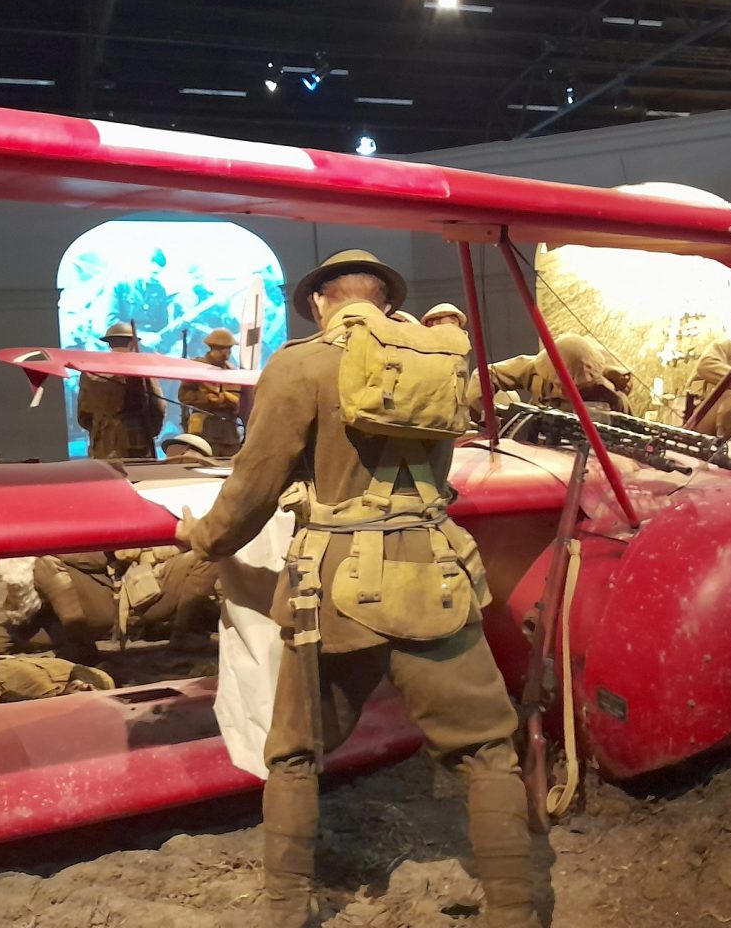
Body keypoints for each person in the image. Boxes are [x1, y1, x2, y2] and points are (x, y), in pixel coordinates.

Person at [180, 249, 536, 928]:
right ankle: (515, 912)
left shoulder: (301, 364)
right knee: (489, 752)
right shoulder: (437, 357)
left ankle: (286, 911)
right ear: (384, 300)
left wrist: (204, 541)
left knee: (294, 754)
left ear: (320, 302)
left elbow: (253, 485)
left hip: (334, 590)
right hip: (434, 575)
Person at [0, 545, 219, 661]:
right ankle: (79, 642)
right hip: (76, 612)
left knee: (209, 554)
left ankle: (185, 635)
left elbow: (101, 557)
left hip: (127, 596)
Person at [76, 321, 164, 460]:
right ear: (132, 342)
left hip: (102, 439)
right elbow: (158, 405)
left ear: (109, 343)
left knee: (106, 473)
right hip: (136, 438)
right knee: (139, 472)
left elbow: (83, 413)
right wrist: (150, 430)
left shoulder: (90, 370)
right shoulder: (141, 367)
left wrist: (97, 427)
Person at [489, 332, 631, 413]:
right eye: (557, 384)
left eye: (574, 387)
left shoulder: (612, 398)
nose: (562, 391)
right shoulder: (536, 369)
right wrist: (486, 421)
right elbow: (486, 375)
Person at [178, 327, 244, 457]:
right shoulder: (197, 368)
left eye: (229, 349)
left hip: (229, 433)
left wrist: (227, 399)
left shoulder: (231, 370)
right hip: (205, 431)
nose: (228, 353)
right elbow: (184, 396)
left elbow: (237, 397)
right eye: (226, 349)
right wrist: (207, 398)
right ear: (215, 349)